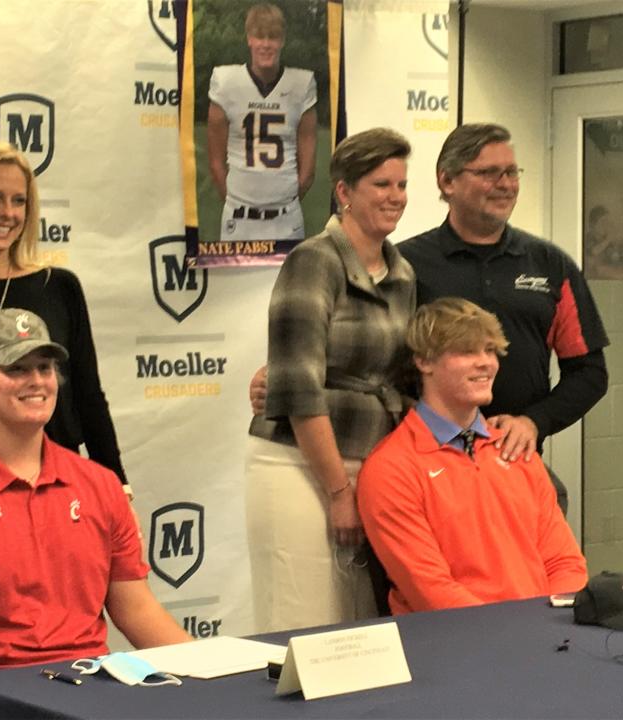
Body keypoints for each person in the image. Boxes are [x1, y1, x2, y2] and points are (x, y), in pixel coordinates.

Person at [0, 308, 191, 719]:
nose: (36, 381)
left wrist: (211, 670)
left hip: (86, 689)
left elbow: (138, 611)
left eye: (44, 367)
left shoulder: (99, 486)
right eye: (16, 368)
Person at [245, 127, 416, 632]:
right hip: (298, 466)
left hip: (375, 470)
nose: (396, 197)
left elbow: (406, 378)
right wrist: (340, 491)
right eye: (382, 184)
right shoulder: (314, 260)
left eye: (402, 185)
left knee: (362, 630)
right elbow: (298, 388)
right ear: (344, 192)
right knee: (304, 628)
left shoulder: (403, 273)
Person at [357, 298, 588, 615]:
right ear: (424, 361)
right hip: (455, 645)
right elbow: (431, 591)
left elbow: (564, 563)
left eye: (491, 350)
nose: (486, 363)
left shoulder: (517, 451)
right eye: (467, 352)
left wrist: (550, 625)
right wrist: (521, 633)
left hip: (542, 636)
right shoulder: (391, 468)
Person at [398, 123, 609, 464]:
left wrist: (534, 422)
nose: (506, 184)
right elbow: (382, 369)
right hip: (427, 463)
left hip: (517, 463)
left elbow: (590, 373)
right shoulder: (405, 265)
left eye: (511, 172)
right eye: (489, 173)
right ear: (447, 181)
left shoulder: (550, 265)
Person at [0, 141, 129, 489]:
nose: (8, 212)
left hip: (61, 486)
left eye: (18, 200)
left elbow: (87, 395)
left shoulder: (59, 287)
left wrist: (118, 486)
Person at [207, 2, 317, 243]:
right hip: (239, 218)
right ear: (249, 39)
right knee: (236, 282)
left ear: (282, 41)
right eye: (260, 36)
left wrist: (283, 200)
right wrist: (237, 200)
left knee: (290, 282)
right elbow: (215, 162)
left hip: (286, 220)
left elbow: (308, 169)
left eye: (273, 37)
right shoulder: (226, 82)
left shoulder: (301, 84)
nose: (266, 44)